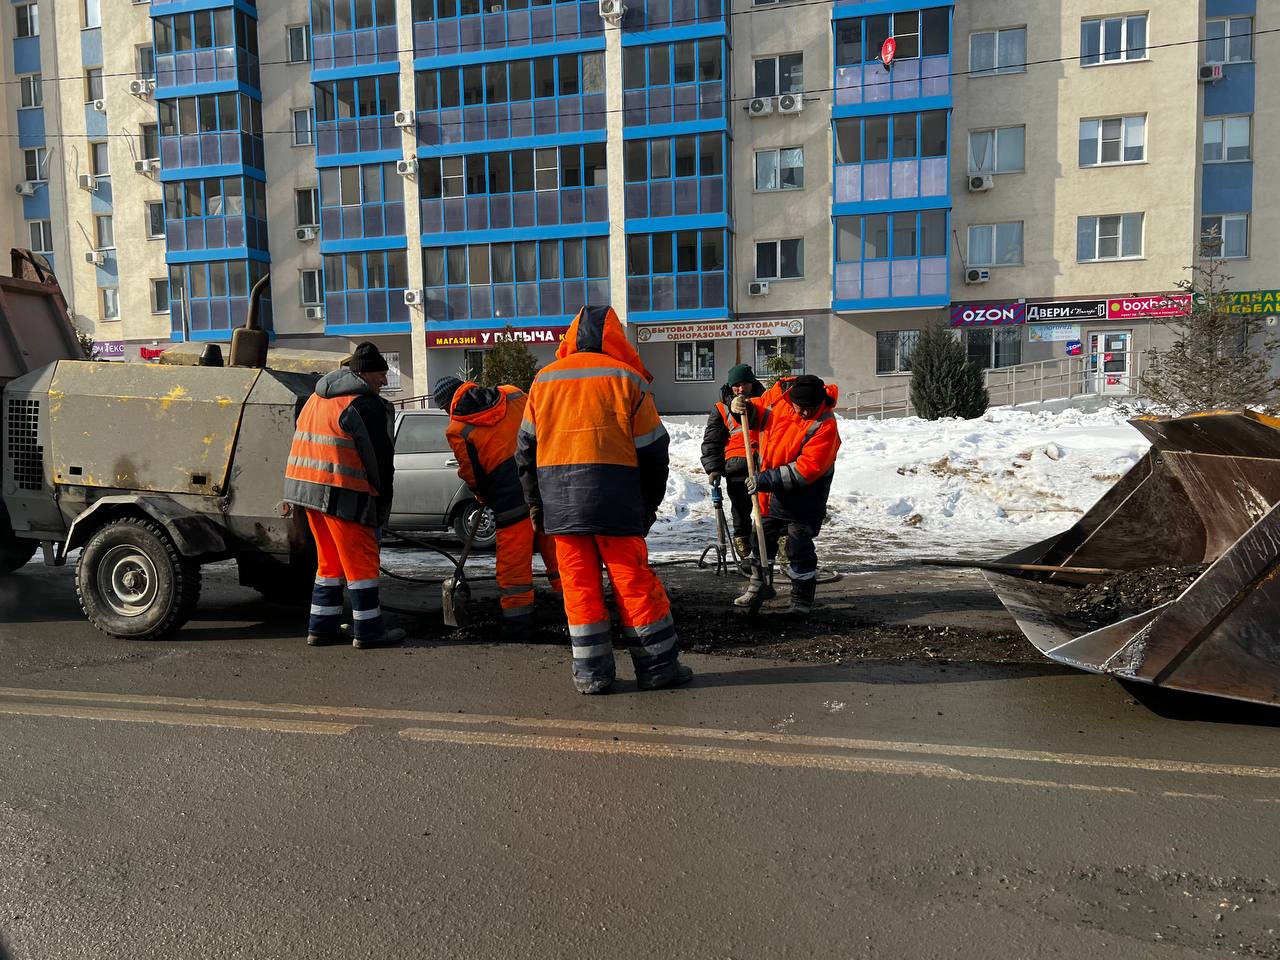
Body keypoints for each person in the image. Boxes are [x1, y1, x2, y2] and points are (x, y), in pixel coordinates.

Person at [515, 305, 692, 695]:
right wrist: (648, 504)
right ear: (615, 338)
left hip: (562, 508)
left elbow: (525, 451)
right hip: (617, 502)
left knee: (578, 587)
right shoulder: (626, 379)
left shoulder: (543, 381)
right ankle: (658, 668)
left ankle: (592, 674)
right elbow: (652, 451)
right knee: (632, 584)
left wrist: (536, 506)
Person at [284, 342, 404, 649]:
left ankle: (321, 629)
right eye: (381, 374)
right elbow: (378, 459)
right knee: (361, 563)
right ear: (364, 373)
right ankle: (369, 632)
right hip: (343, 492)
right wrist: (381, 499)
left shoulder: (316, 397)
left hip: (307, 491)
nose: (385, 381)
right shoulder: (363, 404)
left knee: (329, 564)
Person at [433, 375, 562, 632]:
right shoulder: (513, 393)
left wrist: (482, 496)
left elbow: (471, 473)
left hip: (510, 497)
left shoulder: (457, 429)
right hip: (545, 483)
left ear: (448, 404)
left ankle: (518, 619)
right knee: (558, 551)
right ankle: (576, 606)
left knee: (514, 560)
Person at [730, 373, 840, 616]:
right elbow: (757, 416)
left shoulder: (825, 425)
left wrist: (764, 480)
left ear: (819, 403)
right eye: (799, 408)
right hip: (771, 494)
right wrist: (742, 408)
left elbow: (805, 470)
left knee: (797, 545)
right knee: (761, 538)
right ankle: (759, 587)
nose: (802, 414)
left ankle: (801, 599)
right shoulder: (780, 401)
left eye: (808, 409)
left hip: (805, 497)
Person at [700, 363, 765, 562]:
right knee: (740, 507)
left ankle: (764, 547)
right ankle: (742, 540)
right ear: (730, 387)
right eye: (736, 385)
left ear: (752, 384)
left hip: (764, 464)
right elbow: (712, 441)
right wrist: (713, 468)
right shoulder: (720, 409)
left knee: (765, 508)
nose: (740, 389)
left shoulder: (765, 403)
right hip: (736, 465)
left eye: (744, 384)